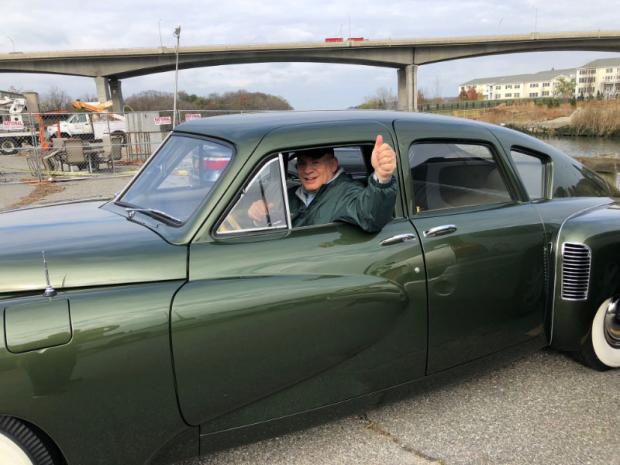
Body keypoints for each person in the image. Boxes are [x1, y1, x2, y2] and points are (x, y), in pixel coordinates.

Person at [248, 135, 398, 233]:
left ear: (332, 165)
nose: (307, 170)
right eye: (302, 163)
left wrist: (382, 177)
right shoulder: (290, 195)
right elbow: (275, 227)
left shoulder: (348, 192)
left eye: (315, 163)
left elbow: (370, 216)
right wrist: (259, 217)